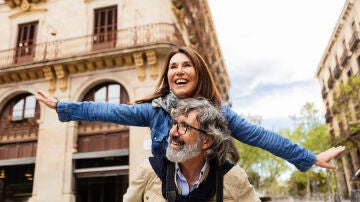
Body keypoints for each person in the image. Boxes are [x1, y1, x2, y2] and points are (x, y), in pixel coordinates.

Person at [36, 46, 345, 172]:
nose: (179, 70)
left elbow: (261, 136)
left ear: (197, 73)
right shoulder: (156, 112)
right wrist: (64, 106)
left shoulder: (218, 115)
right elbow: (108, 111)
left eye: (186, 65)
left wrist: (310, 157)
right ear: (168, 76)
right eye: (173, 66)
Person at [123, 97, 260, 202]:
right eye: (175, 123)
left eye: (185, 126)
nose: (172, 132)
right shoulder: (149, 170)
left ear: (206, 140)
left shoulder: (233, 176)